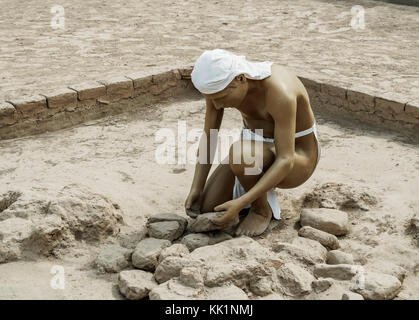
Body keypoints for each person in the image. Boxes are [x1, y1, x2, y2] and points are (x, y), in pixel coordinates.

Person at [184, 49, 321, 236]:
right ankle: (253, 189)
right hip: (253, 151)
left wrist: (241, 202)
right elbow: (209, 138)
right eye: (211, 99)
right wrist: (196, 188)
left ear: (240, 79)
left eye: (221, 98)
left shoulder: (279, 91)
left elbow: (285, 159)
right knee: (210, 209)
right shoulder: (217, 88)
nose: (216, 105)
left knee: (241, 154)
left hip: (298, 157)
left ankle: (261, 210)